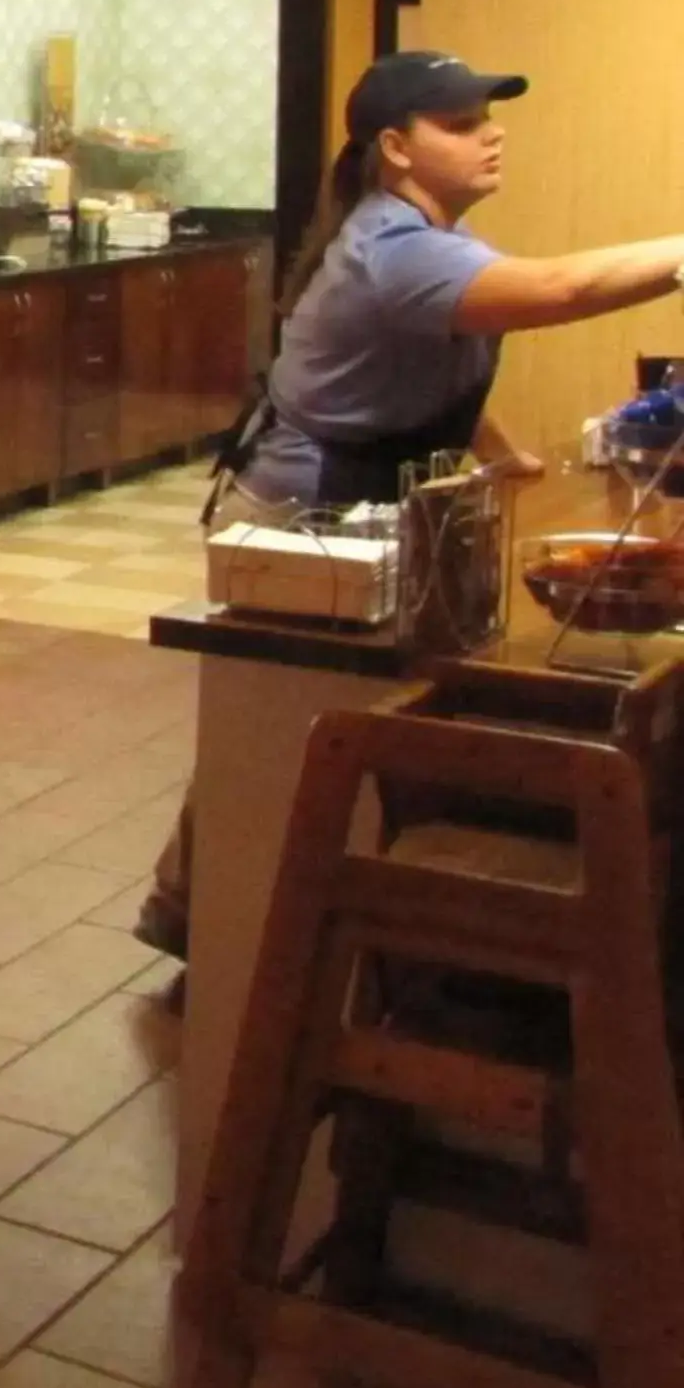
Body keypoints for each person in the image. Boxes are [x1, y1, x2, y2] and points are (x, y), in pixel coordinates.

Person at [136, 49, 684, 958]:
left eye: (488, 118)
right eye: (463, 124)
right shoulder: (395, 250)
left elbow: (430, 365)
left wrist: (503, 455)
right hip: (308, 511)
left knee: (279, 721)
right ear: (395, 147)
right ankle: (233, 928)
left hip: (368, 500)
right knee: (279, 717)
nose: (492, 135)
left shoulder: (433, 243)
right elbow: (563, 289)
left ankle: (203, 907)